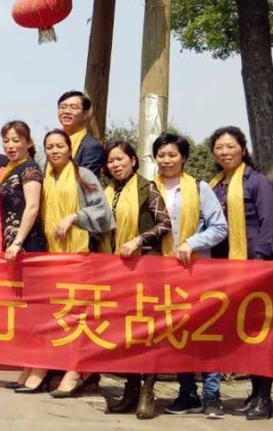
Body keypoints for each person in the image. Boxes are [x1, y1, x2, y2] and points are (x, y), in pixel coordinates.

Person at [152, 133, 229, 418]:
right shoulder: (150, 188)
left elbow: (219, 227)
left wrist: (191, 242)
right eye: (161, 155)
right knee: (177, 334)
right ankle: (187, 393)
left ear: (183, 158)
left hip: (197, 271)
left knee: (204, 333)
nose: (166, 160)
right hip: (162, 273)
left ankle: (212, 394)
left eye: (172, 155)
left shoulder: (199, 188)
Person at [207, 126, 273, 420]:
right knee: (242, 332)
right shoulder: (214, 185)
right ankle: (254, 392)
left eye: (230, 146)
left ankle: (265, 398)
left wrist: (258, 265)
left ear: (243, 150)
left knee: (260, 332)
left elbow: (267, 225)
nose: (225, 152)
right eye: (219, 148)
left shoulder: (258, 182)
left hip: (252, 266)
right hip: (223, 267)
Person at [98, 139, 172, 419]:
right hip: (115, 271)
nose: (115, 165)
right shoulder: (106, 191)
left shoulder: (146, 188)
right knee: (125, 332)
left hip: (144, 269)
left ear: (133, 160)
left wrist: (139, 240)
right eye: (111, 161)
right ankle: (130, 390)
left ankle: (147, 392)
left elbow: (165, 223)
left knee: (148, 331)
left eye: (120, 159)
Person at [40, 128, 115, 398]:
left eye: (60, 146)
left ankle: (77, 370)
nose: (55, 151)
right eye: (50, 147)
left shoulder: (83, 175)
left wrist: (75, 216)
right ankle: (63, 368)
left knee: (80, 314)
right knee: (59, 315)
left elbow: (103, 211)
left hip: (80, 256)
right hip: (52, 258)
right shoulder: (46, 179)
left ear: (70, 150)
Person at [0, 120, 48, 394]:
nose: (11, 145)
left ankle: (41, 368)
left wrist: (18, 241)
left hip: (29, 246)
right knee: (24, 312)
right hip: (13, 248)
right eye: (6, 140)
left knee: (36, 311)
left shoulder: (30, 169)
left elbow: (33, 207)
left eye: (16, 140)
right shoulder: (10, 169)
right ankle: (28, 365)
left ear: (29, 143)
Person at [56, 91, 106, 174]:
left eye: (73, 107)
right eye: (63, 107)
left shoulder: (91, 147)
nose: (67, 111)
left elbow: (86, 180)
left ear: (85, 113)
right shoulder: (54, 143)